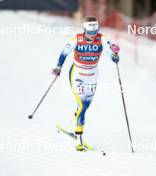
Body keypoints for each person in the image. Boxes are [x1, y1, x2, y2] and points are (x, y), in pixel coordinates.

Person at [53, 16, 120, 151]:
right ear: (84, 30)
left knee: (85, 107)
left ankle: (76, 122)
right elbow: (64, 53)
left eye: (95, 32)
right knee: (83, 106)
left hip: (92, 76)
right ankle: (79, 140)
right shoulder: (76, 40)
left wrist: (115, 55)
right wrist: (59, 67)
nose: (93, 36)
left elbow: (112, 55)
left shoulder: (102, 39)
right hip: (77, 74)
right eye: (90, 33)